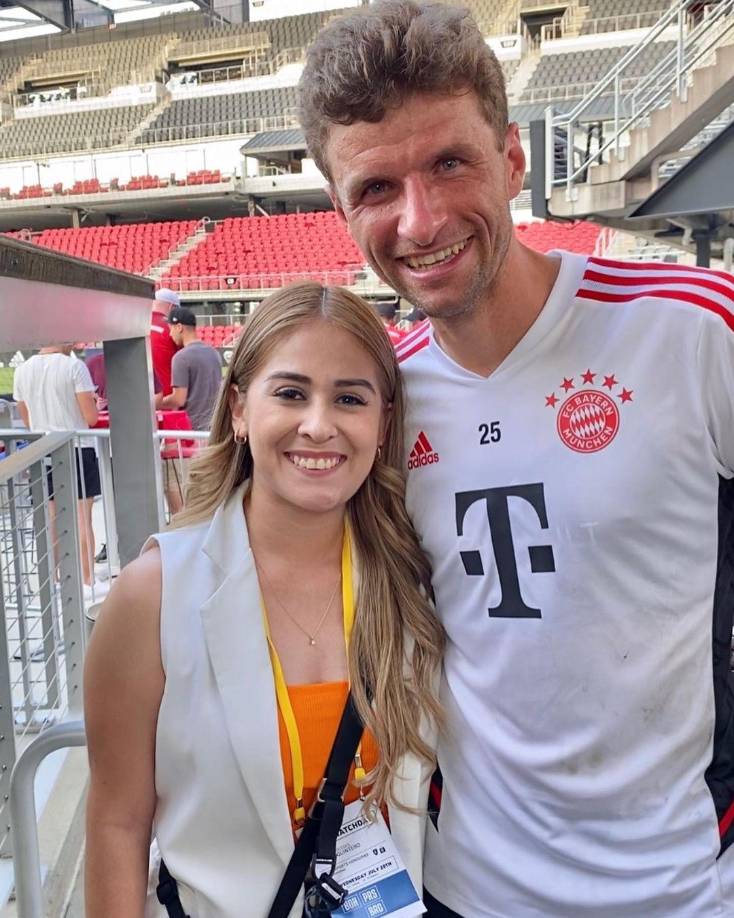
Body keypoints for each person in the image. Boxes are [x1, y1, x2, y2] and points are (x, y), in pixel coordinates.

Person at [299, 3, 734, 916]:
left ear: (512, 159)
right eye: (375, 188)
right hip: (467, 889)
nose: (419, 221)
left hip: (685, 885)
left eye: (449, 164)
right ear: (341, 209)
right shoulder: (376, 401)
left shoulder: (692, 328)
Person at [84, 282, 444, 917]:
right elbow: (117, 823)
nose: (318, 424)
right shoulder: (153, 595)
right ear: (240, 409)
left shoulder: (412, 583)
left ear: (382, 422)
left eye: (350, 398)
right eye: (290, 393)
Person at [12, 344, 104, 597]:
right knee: (82, 518)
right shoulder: (74, 366)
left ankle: (53, 579)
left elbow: (28, 419)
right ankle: (87, 579)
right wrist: (94, 403)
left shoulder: (22, 370)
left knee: (51, 518)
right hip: (76, 446)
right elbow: (91, 417)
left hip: (45, 447)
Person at [161, 307, 223, 430]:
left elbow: (178, 399)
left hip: (193, 429)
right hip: (215, 427)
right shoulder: (214, 353)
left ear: (179, 327)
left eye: (171, 329)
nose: (170, 334)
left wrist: (156, 403)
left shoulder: (181, 358)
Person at [150, 287, 181, 396]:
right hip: (168, 399)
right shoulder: (173, 328)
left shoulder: (135, 324)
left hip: (139, 399)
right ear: (172, 307)